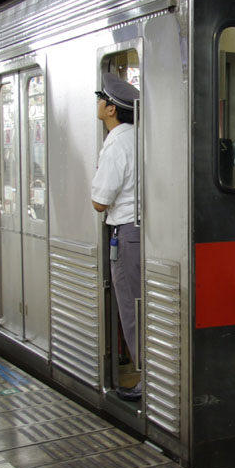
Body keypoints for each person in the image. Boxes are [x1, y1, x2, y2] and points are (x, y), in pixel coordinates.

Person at [90, 72, 142, 402]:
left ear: (111, 109)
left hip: (126, 235)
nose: (98, 102)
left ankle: (147, 381)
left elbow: (100, 202)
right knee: (143, 305)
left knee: (132, 308)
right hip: (145, 231)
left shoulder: (115, 144)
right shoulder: (140, 137)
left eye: (101, 98)